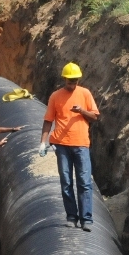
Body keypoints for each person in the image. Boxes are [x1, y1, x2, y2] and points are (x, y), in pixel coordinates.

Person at [39, 63, 100, 231]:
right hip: (61, 145)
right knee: (66, 182)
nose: (72, 83)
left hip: (81, 144)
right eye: (69, 80)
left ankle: (86, 219)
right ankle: (71, 216)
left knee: (84, 182)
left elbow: (94, 116)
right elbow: (48, 120)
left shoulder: (85, 94)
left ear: (78, 79)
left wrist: (81, 111)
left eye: (74, 80)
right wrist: (43, 142)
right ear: (64, 78)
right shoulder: (55, 96)